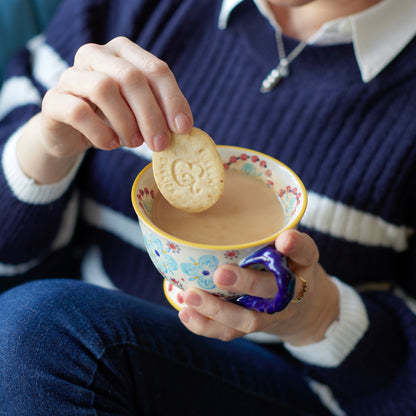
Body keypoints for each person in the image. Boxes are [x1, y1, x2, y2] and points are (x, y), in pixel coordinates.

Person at [0, 0, 415, 414]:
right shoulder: (130, 10)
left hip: (287, 388)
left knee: (39, 330)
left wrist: (320, 317)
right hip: (58, 375)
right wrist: (48, 148)